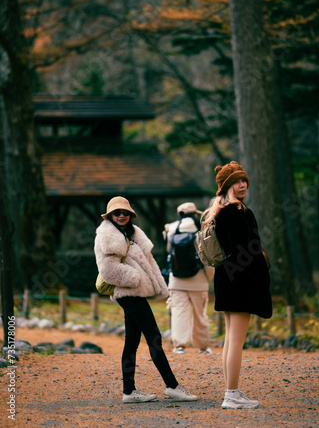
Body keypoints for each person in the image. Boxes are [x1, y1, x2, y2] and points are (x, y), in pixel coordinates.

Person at [94, 196, 198, 403]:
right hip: (128, 292)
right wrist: (135, 278)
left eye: (125, 213)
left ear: (130, 215)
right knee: (154, 337)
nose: (122, 216)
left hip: (135, 292)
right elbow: (107, 270)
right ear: (110, 216)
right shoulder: (107, 236)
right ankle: (172, 386)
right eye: (117, 213)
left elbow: (149, 263)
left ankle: (129, 391)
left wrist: (158, 285)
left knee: (132, 341)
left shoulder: (132, 234)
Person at [202, 162, 272, 409]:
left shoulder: (221, 211)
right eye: (236, 181)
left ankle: (231, 392)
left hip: (227, 278)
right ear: (226, 185)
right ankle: (231, 395)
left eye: (244, 180)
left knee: (231, 339)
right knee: (235, 341)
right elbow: (245, 251)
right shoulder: (236, 212)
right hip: (241, 281)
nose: (242, 184)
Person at [165, 202, 214, 355]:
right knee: (200, 314)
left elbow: (169, 252)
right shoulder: (201, 229)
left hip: (176, 280)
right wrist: (207, 278)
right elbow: (208, 257)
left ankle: (179, 346)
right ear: (194, 214)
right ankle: (203, 346)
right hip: (198, 281)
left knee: (179, 312)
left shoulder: (171, 230)